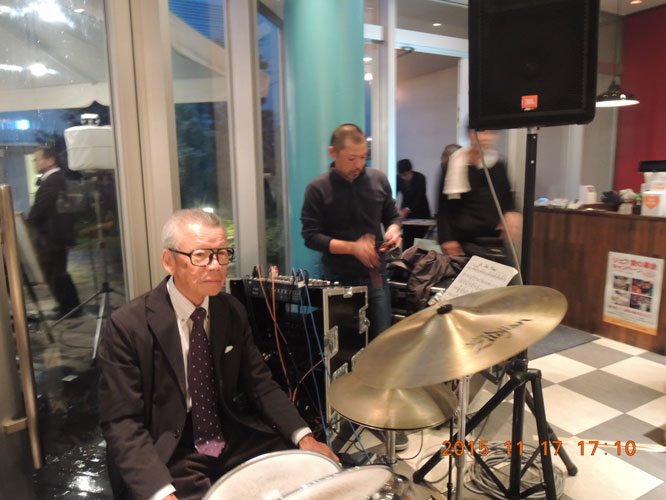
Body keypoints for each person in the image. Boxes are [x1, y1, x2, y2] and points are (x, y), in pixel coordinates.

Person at [98, 209, 336, 500]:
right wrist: (158, 492)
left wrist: (304, 436)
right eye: (200, 255)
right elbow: (122, 423)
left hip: (227, 431)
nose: (215, 266)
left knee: (307, 474)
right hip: (170, 446)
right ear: (168, 261)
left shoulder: (230, 310)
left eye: (222, 254)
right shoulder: (128, 326)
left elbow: (259, 383)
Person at [301, 124, 401, 341]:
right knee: (345, 345)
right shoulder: (317, 189)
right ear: (333, 153)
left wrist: (393, 230)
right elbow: (311, 237)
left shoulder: (378, 180)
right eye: (351, 158)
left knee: (382, 340)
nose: (358, 164)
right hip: (338, 278)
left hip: (376, 275)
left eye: (363, 157)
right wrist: (352, 248)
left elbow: (392, 215)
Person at [437, 129, 521, 265]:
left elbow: (508, 199)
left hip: (493, 240)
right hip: (462, 243)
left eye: (491, 133)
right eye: (483, 132)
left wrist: (513, 213)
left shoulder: (498, 164)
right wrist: (447, 239)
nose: (487, 138)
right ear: (470, 133)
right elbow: (443, 207)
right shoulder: (454, 164)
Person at [28, 146, 80, 317]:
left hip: (53, 237)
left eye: (37, 159)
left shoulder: (53, 181)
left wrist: (29, 223)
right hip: (55, 237)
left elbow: (40, 210)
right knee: (57, 272)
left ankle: (69, 308)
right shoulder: (54, 179)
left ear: (50, 160)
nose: (35, 163)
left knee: (56, 272)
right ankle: (69, 305)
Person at [396, 159, 431, 249]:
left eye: (405, 175)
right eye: (401, 175)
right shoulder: (398, 179)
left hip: (421, 213)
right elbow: (393, 194)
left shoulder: (420, 178)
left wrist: (407, 209)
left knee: (419, 244)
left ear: (411, 171)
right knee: (407, 243)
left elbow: (420, 197)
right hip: (407, 217)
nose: (403, 177)